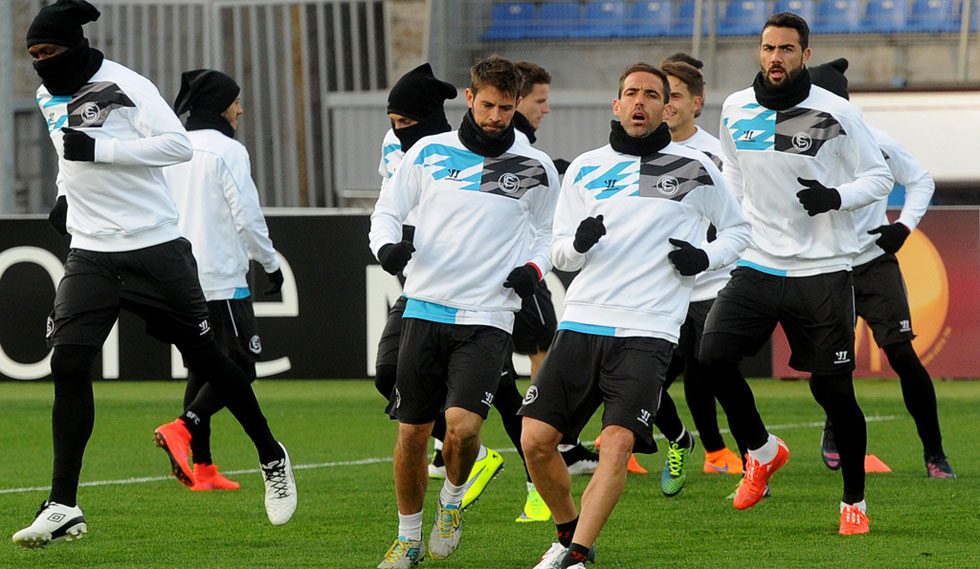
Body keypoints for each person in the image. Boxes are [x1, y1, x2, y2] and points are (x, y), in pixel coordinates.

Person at [14, 0, 296, 549]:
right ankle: (63, 504)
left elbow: (177, 146)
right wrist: (64, 195)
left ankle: (270, 455)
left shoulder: (127, 84)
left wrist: (103, 150)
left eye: (49, 51)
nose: (42, 63)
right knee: (68, 362)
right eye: (34, 54)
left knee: (209, 357)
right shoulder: (49, 95)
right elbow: (68, 156)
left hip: (154, 248)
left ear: (74, 46)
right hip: (91, 251)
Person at [519, 62, 751, 569]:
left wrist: (704, 257)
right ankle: (567, 533)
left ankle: (577, 557)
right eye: (631, 93)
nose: (640, 101)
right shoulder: (585, 168)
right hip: (582, 321)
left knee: (618, 443)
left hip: (649, 328)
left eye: (651, 93)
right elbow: (558, 251)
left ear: (666, 107)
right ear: (617, 104)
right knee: (535, 441)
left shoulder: (696, 167)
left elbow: (739, 231)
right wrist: (578, 245)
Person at [704, 13, 894, 536]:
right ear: (759, 52)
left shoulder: (835, 112)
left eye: (787, 49)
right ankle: (762, 451)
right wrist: (731, 224)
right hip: (758, 261)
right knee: (713, 357)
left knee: (833, 392)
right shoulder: (736, 107)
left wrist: (836, 196)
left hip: (823, 268)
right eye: (769, 48)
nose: (776, 58)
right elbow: (733, 171)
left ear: (805, 55)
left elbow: (879, 175)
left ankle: (853, 501)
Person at [370, 55, 560, 567]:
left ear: (516, 105)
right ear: (471, 98)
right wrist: (386, 246)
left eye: (506, 108)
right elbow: (387, 210)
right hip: (425, 307)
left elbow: (549, 233)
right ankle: (408, 538)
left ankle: (451, 502)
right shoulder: (429, 152)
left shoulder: (535, 167)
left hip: (488, 315)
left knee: (465, 428)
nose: (496, 116)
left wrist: (535, 268)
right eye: (488, 105)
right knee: (412, 432)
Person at [808, 58, 955, 479]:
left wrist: (903, 227)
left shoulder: (876, 141)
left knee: (903, 356)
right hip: (826, 266)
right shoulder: (799, 147)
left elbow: (920, 180)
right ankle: (835, 423)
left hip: (873, 262)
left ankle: (935, 453)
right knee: (828, 366)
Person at [373, 62, 506, 513]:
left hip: (482, 289)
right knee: (389, 374)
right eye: (393, 121)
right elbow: (389, 201)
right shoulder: (398, 145)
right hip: (422, 282)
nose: (398, 131)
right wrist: (388, 243)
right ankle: (472, 455)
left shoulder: (464, 150)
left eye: (405, 122)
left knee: (501, 394)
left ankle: (531, 480)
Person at [154, 69, 284, 491]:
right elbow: (247, 216)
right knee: (241, 367)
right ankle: (183, 426)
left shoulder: (173, 147)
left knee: (201, 368)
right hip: (221, 278)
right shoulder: (227, 150)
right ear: (218, 106)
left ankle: (203, 468)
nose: (240, 110)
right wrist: (270, 264)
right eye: (235, 102)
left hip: (181, 278)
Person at [653, 55, 745, 495]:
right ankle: (678, 440)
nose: (666, 104)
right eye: (661, 96)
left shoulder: (716, 155)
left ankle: (742, 457)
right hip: (657, 288)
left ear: (696, 102)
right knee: (637, 378)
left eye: (674, 96)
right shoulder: (637, 153)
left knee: (712, 373)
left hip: (709, 285)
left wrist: (709, 257)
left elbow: (737, 219)